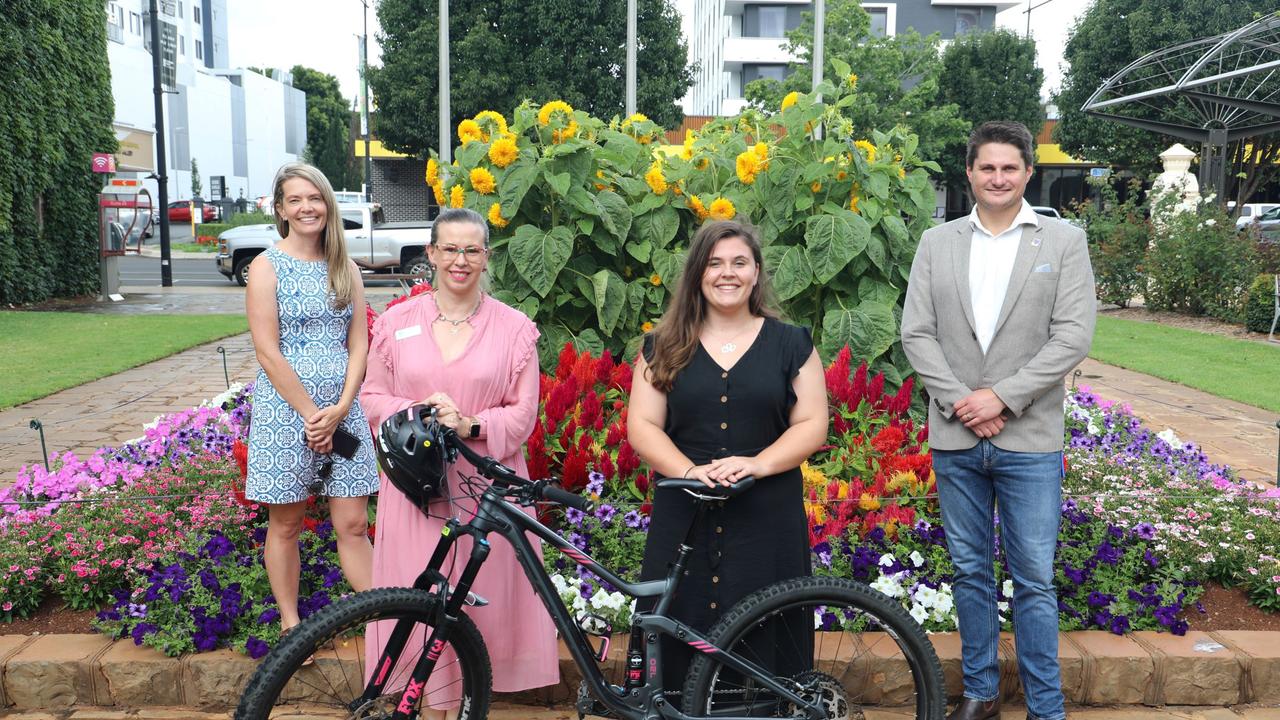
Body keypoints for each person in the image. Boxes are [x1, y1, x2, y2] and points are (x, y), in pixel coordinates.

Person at [900, 121, 1096, 720]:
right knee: (969, 572)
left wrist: (1003, 399)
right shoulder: (939, 242)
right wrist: (966, 401)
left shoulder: (1062, 242)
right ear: (969, 173)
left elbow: (1072, 336)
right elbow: (917, 332)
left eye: (1010, 168)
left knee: (1034, 579)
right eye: (987, 168)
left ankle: (1045, 706)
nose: (998, 178)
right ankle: (981, 694)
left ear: (1027, 173)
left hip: (1030, 440)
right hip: (957, 436)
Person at [359, 208, 557, 717]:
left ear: (486, 257)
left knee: (475, 613)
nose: (460, 261)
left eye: (471, 250)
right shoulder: (398, 323)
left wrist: (470, 424)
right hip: (415, 492)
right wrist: (418, 416)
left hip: (481, 489)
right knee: (416, 598)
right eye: (449, 249)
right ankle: (421, 706)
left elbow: (524, 415)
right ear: (431, 254)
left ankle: (469, 704)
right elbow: (372, 394)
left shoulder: (515, 330)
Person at [627, 220, 828, 690]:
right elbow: (642, 425)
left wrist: (757, 463)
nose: (727, 273)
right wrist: (690, 471)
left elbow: (812, 423)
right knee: (678, 615)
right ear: (698, 273)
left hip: (766, 511)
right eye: (715, 263)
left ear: (756, 272)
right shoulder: (664, 345)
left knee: (767, 624)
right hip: (684, 510)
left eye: (739, 262)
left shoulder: (791, 342)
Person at [244, 162, 380, 640]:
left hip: (343, 414)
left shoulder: (345, 268)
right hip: (287, 415)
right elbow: (267, 350)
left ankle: (384, 622)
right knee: (286, 523)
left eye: (314, 198)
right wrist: (310, 415)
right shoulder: (266, 267)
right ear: (280, 210)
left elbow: (360, 344)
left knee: (354, 522)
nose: (307, 207)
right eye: (295, 200)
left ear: (328, 204)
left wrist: (341, 407)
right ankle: (292, 624)